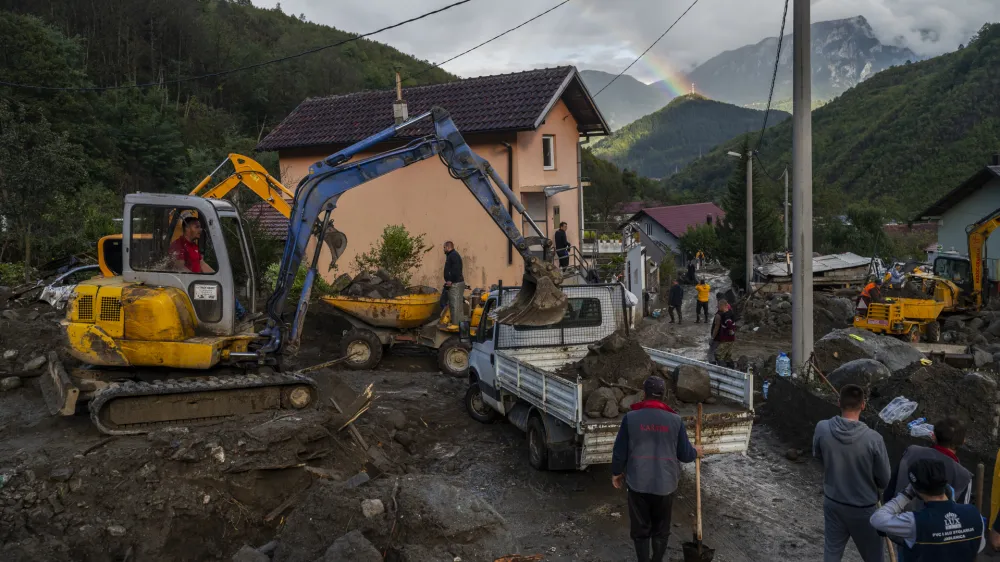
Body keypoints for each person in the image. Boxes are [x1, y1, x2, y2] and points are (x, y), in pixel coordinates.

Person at [611, 375, 701, 562]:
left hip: (638, 484)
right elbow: (685, 455)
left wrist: (616, 472)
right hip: (665, 485)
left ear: (644, 394)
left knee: (640, 530)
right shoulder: (675, 420)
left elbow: (620, 450)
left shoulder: (631, 418)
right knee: (661, 530)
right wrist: (696, 451)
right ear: (664, 395)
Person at [813, 384, 891, 562]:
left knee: (832, 553)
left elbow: (818, 456)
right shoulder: (873, 439)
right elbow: (885, 479)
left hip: (833, 502)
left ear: (839, 402)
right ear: (863, 405)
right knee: (874, 557)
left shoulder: (822, 428)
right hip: (864, 508)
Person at [871, 458, 984, 561]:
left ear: (915, 489)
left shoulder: (915, 522)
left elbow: (877, 519)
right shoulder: (974, 514)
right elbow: (979, 546)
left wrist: (906, 495)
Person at [883, 416, 972, 506]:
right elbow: (961, 514)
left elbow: (890, 490)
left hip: (897, 514)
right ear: (962, 442)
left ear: (933, 436)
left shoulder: (911, 452)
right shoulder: (964, 476)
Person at [707, 299, 736, 365]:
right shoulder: (729, 312)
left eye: (719, 305)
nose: (717, 306)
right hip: (726, 338)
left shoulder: (720, 315)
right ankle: (729, 368)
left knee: (714, 353)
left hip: (719, 337)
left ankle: (716, 367)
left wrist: (712, 338)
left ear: (722, 306)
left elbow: (717, 327)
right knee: (726, 355)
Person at [441, 241, 465, 318]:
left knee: (455, 306)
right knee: (455, 305)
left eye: (444, 247)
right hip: (454, 283)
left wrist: (450, 280)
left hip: (455, 284)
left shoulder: (453, 255)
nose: (443, 249)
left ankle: (456, 324)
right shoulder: (451, 255)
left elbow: (456, 269)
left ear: (448, 247)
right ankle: (457, 323)